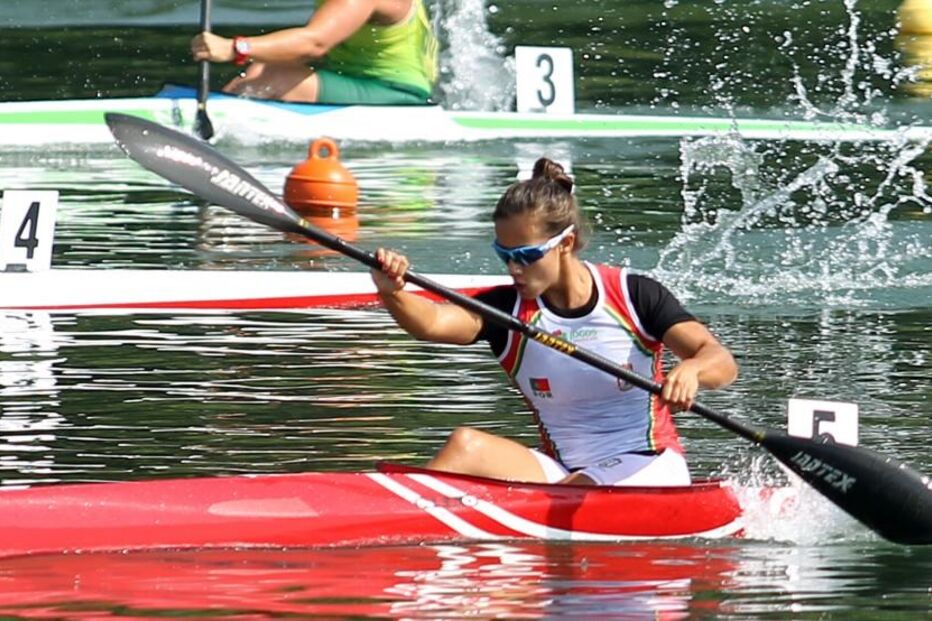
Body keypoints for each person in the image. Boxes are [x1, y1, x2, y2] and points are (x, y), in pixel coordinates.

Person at [371, 158, 739, 487]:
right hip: (562, 472)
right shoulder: (507, 309)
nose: (514, 268)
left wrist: (691, 371)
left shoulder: (633, 295)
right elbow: (433, 322)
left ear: (566, 243)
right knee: (464, 445)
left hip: (649, 463)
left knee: (579, 486)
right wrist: (393, 292)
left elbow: (720, 361)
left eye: (526, 255)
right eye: (504, 254)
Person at [190, 0, 437, 104]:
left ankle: (208, 132)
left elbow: (315, 44)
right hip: (356, 80)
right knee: (263, 67)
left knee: (276, 78)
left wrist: (235, 48)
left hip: (396, 93)